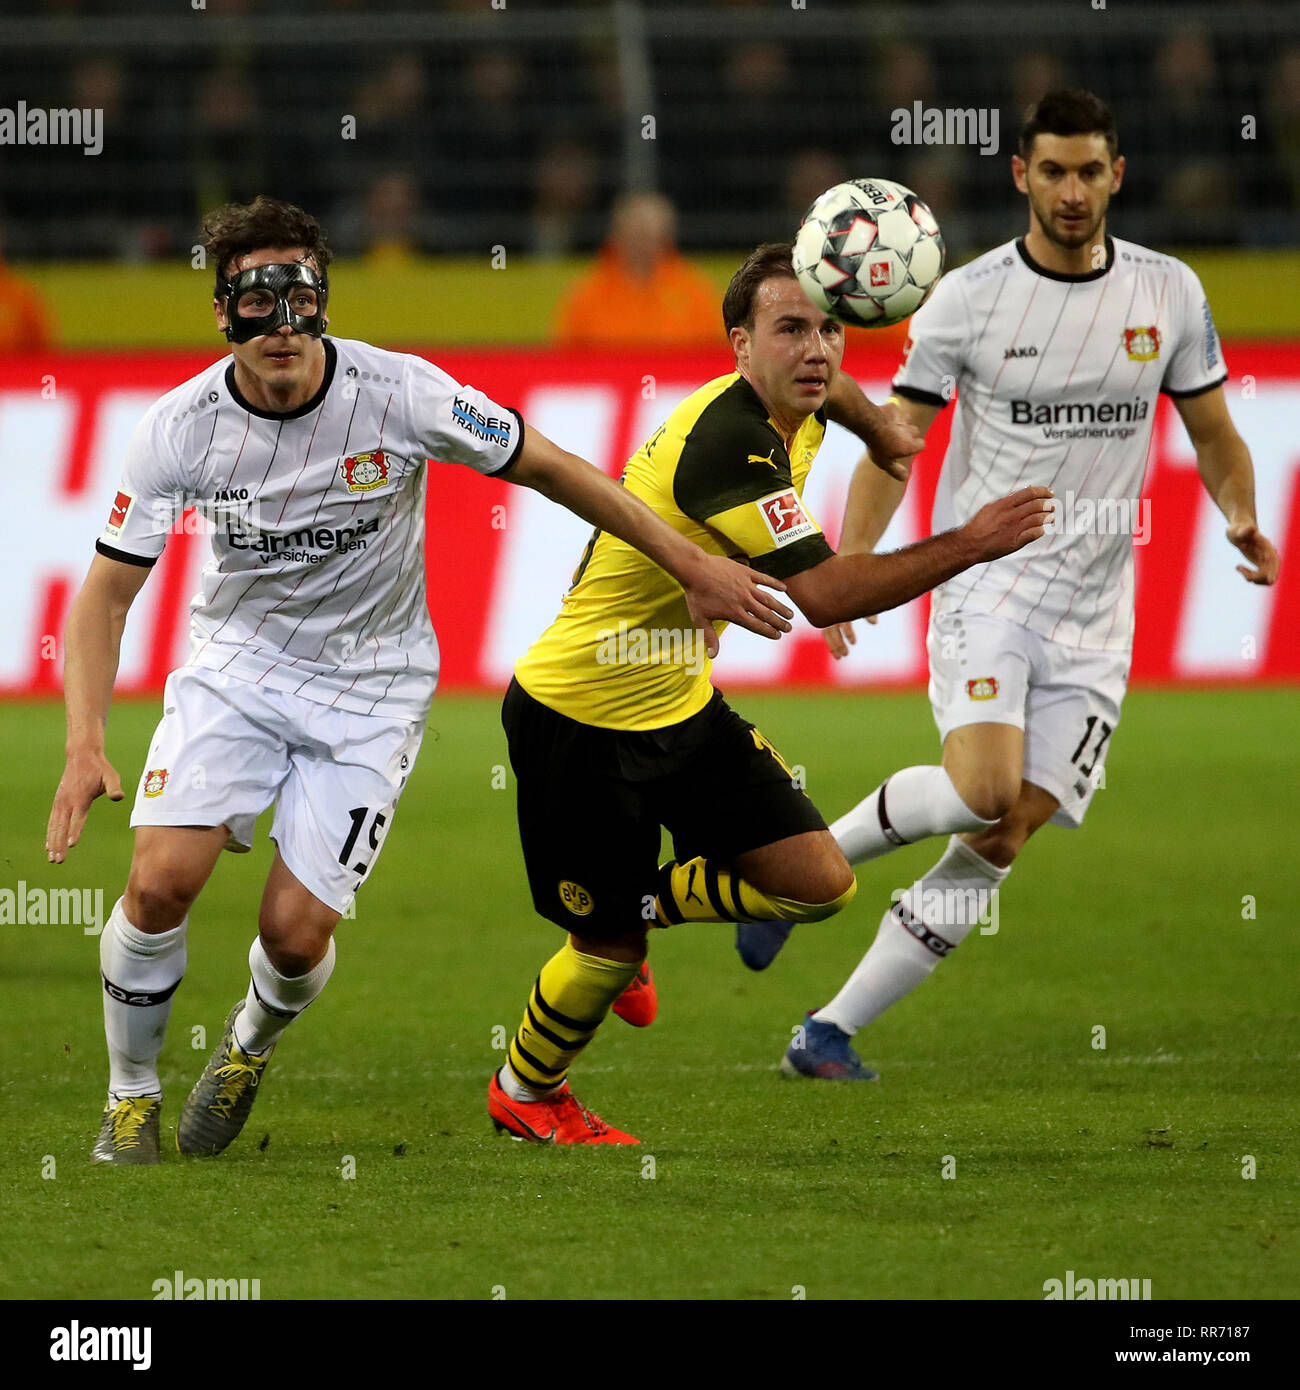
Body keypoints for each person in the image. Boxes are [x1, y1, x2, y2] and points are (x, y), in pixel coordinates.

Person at [45, 196, 795, 1166]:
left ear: (323, 299)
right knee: (157, 883)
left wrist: (688, 562)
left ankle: (245, 1046)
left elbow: (557, 469)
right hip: (237, 669)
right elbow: (103, 596)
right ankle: (130, 1099)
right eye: (255, 298)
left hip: (374, 691)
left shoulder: (400, 393)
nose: (280, 321)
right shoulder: (177, 430)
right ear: (222, 312)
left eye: (299, 294)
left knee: (292, 936)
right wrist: (82, 744)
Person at [737, 91, 1280, 1080]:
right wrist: (849, 570)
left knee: (1003, 828)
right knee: (983, 785)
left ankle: (826, 1030)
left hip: (1097, 614)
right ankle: (800, 865)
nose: (1070, 192)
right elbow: (894, 446)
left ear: (1115, 175)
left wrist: (1238, 513)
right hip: (989, 586)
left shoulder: (1168, 294)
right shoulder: (967, 299)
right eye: (1052, 171)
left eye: (1088, 171)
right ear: (1018, 176)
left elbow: (1213, 434)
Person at [487, 242, 1054, 1144]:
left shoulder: (808, 398)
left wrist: (877, 430)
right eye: (790, 330)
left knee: (821, 884)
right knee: (606, 952)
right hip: (578, 721)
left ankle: (643, 902)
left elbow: (836, 390)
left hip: (680, 706)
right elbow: (824, 593)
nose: (817, 350)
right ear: (739, 347)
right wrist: (972, 542)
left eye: (830, 327)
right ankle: (528, 1088)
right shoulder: (727, 443)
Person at [553, 191, 719, 348]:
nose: (643, 245)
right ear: (617, 234)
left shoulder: (693, 289)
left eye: (650, 235)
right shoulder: (588, 292)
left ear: (666, 237)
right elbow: (566, 359)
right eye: (636, 234)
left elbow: (711, 354)